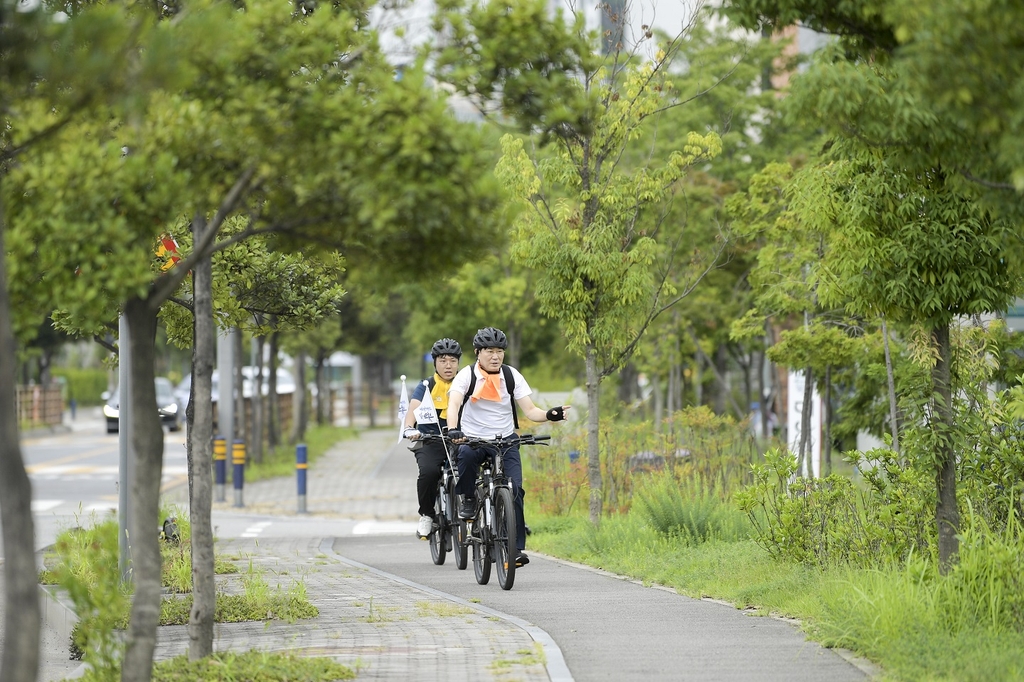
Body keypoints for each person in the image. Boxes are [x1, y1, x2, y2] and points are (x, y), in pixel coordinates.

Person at [446, 326, 570, 568]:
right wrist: (453, 429)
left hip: (505, 440)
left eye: (500, 351)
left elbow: (531, 411)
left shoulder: (511, 376)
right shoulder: (466, 376)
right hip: (473, 438)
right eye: (490, 351)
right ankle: (470, 498)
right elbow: (454, 404)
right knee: (466, 456)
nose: (495, 356)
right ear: (477, 352)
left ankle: (514, 549)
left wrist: (550, 414)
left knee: (515, 490)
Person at [403, 338, 463, 539]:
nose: (448, 365)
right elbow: (413, 409)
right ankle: (427, 515)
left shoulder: (465, 383)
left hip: (459, 440)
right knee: (428, 472)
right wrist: (410, 428)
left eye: (453, 361)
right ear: (435, 362)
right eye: (443, 360)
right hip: (430, 440)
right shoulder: (426, 385)